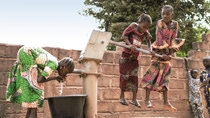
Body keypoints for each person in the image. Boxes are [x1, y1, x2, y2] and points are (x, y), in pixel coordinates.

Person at [6, 46, 75, 118]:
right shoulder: (53, 64)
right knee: (35, 97)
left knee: (31, 104)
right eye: (66, 72)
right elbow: (40, 80)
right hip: (26, 54)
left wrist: (56, 77)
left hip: (25, 53)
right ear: (63, 67)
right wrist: (55, 77)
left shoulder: (53, 61)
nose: (65, 74)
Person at [141, 5, 184, 111]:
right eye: (163, 14)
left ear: (172, 15)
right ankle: (147, 99)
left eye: (167, 14)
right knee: (151, 74)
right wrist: (163, 54)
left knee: (166, 76)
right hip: (159, 51)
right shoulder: (159, 23)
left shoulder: (175, 24)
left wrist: (171, 53)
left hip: (168, 53)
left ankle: (166, 102)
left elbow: (173, 38)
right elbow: (159, 38)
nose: (164, 16)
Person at [119, 13, 153, 108]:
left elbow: (149, 40)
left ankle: (134, 99)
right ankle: (122, 97)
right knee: (125, 76)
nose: (145, 29)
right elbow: (124, 36)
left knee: (134, 78)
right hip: (126, 56)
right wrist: (130, 45)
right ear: (139, 22)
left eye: (147, 28)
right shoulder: (133, 26)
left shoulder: (145, 31)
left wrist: (151, 49)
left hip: (135, 57)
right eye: (144, 26)